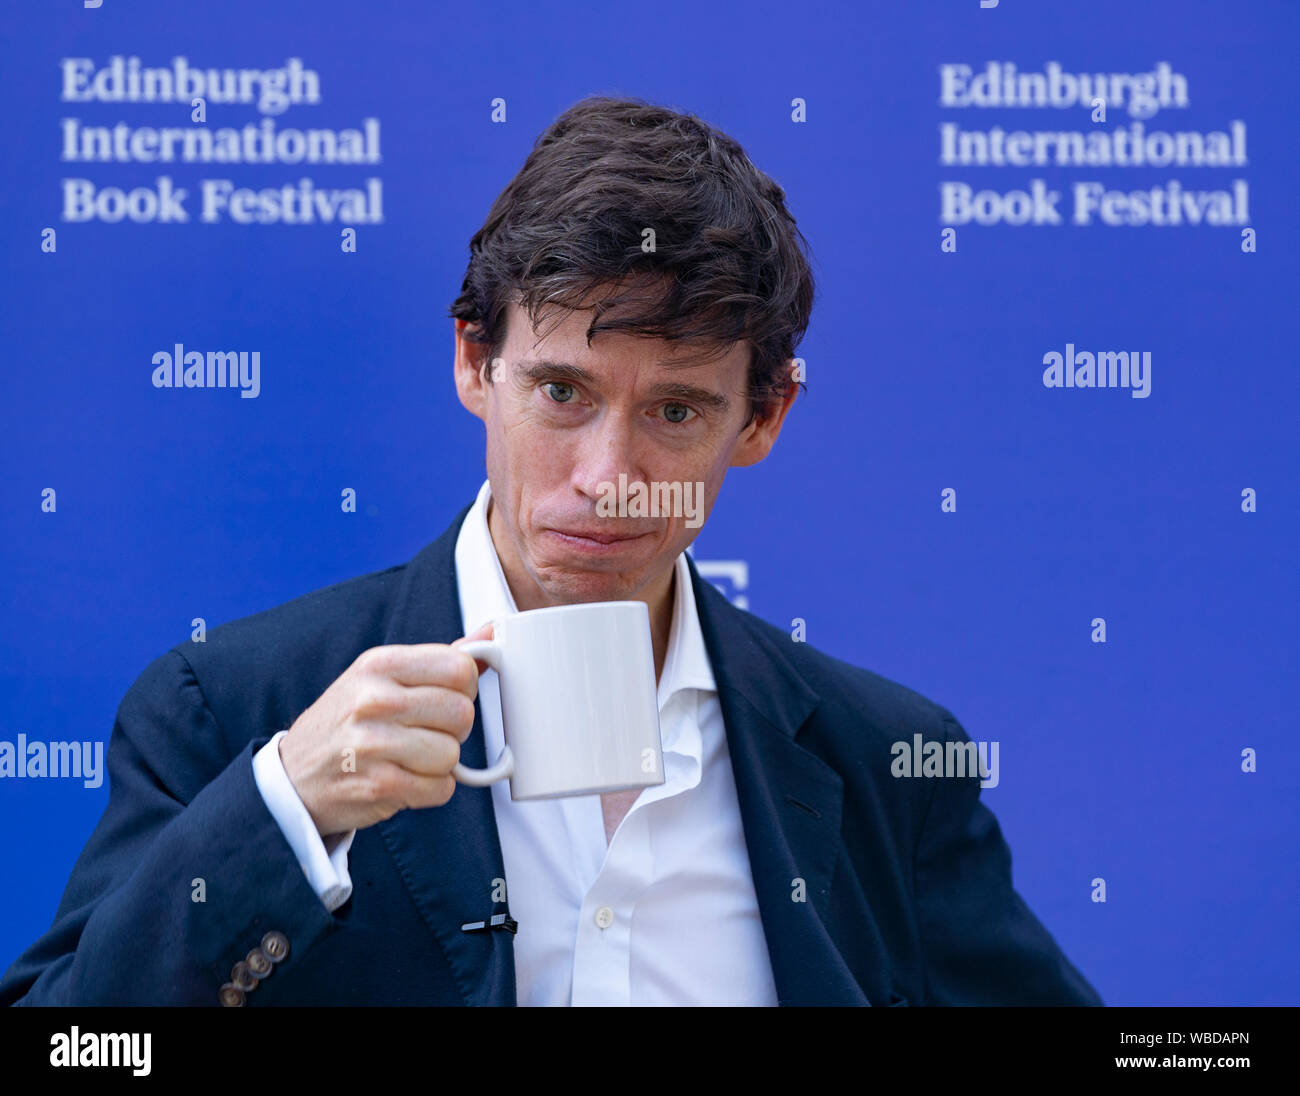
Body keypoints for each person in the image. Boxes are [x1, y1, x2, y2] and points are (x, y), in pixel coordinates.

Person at [0, 95, 1102, 1007]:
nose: (609, 474)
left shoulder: (886, 761)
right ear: (474, 362)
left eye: (675, 411)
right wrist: (284, 813)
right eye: (562, 391)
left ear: (762, 420)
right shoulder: (231, 710)